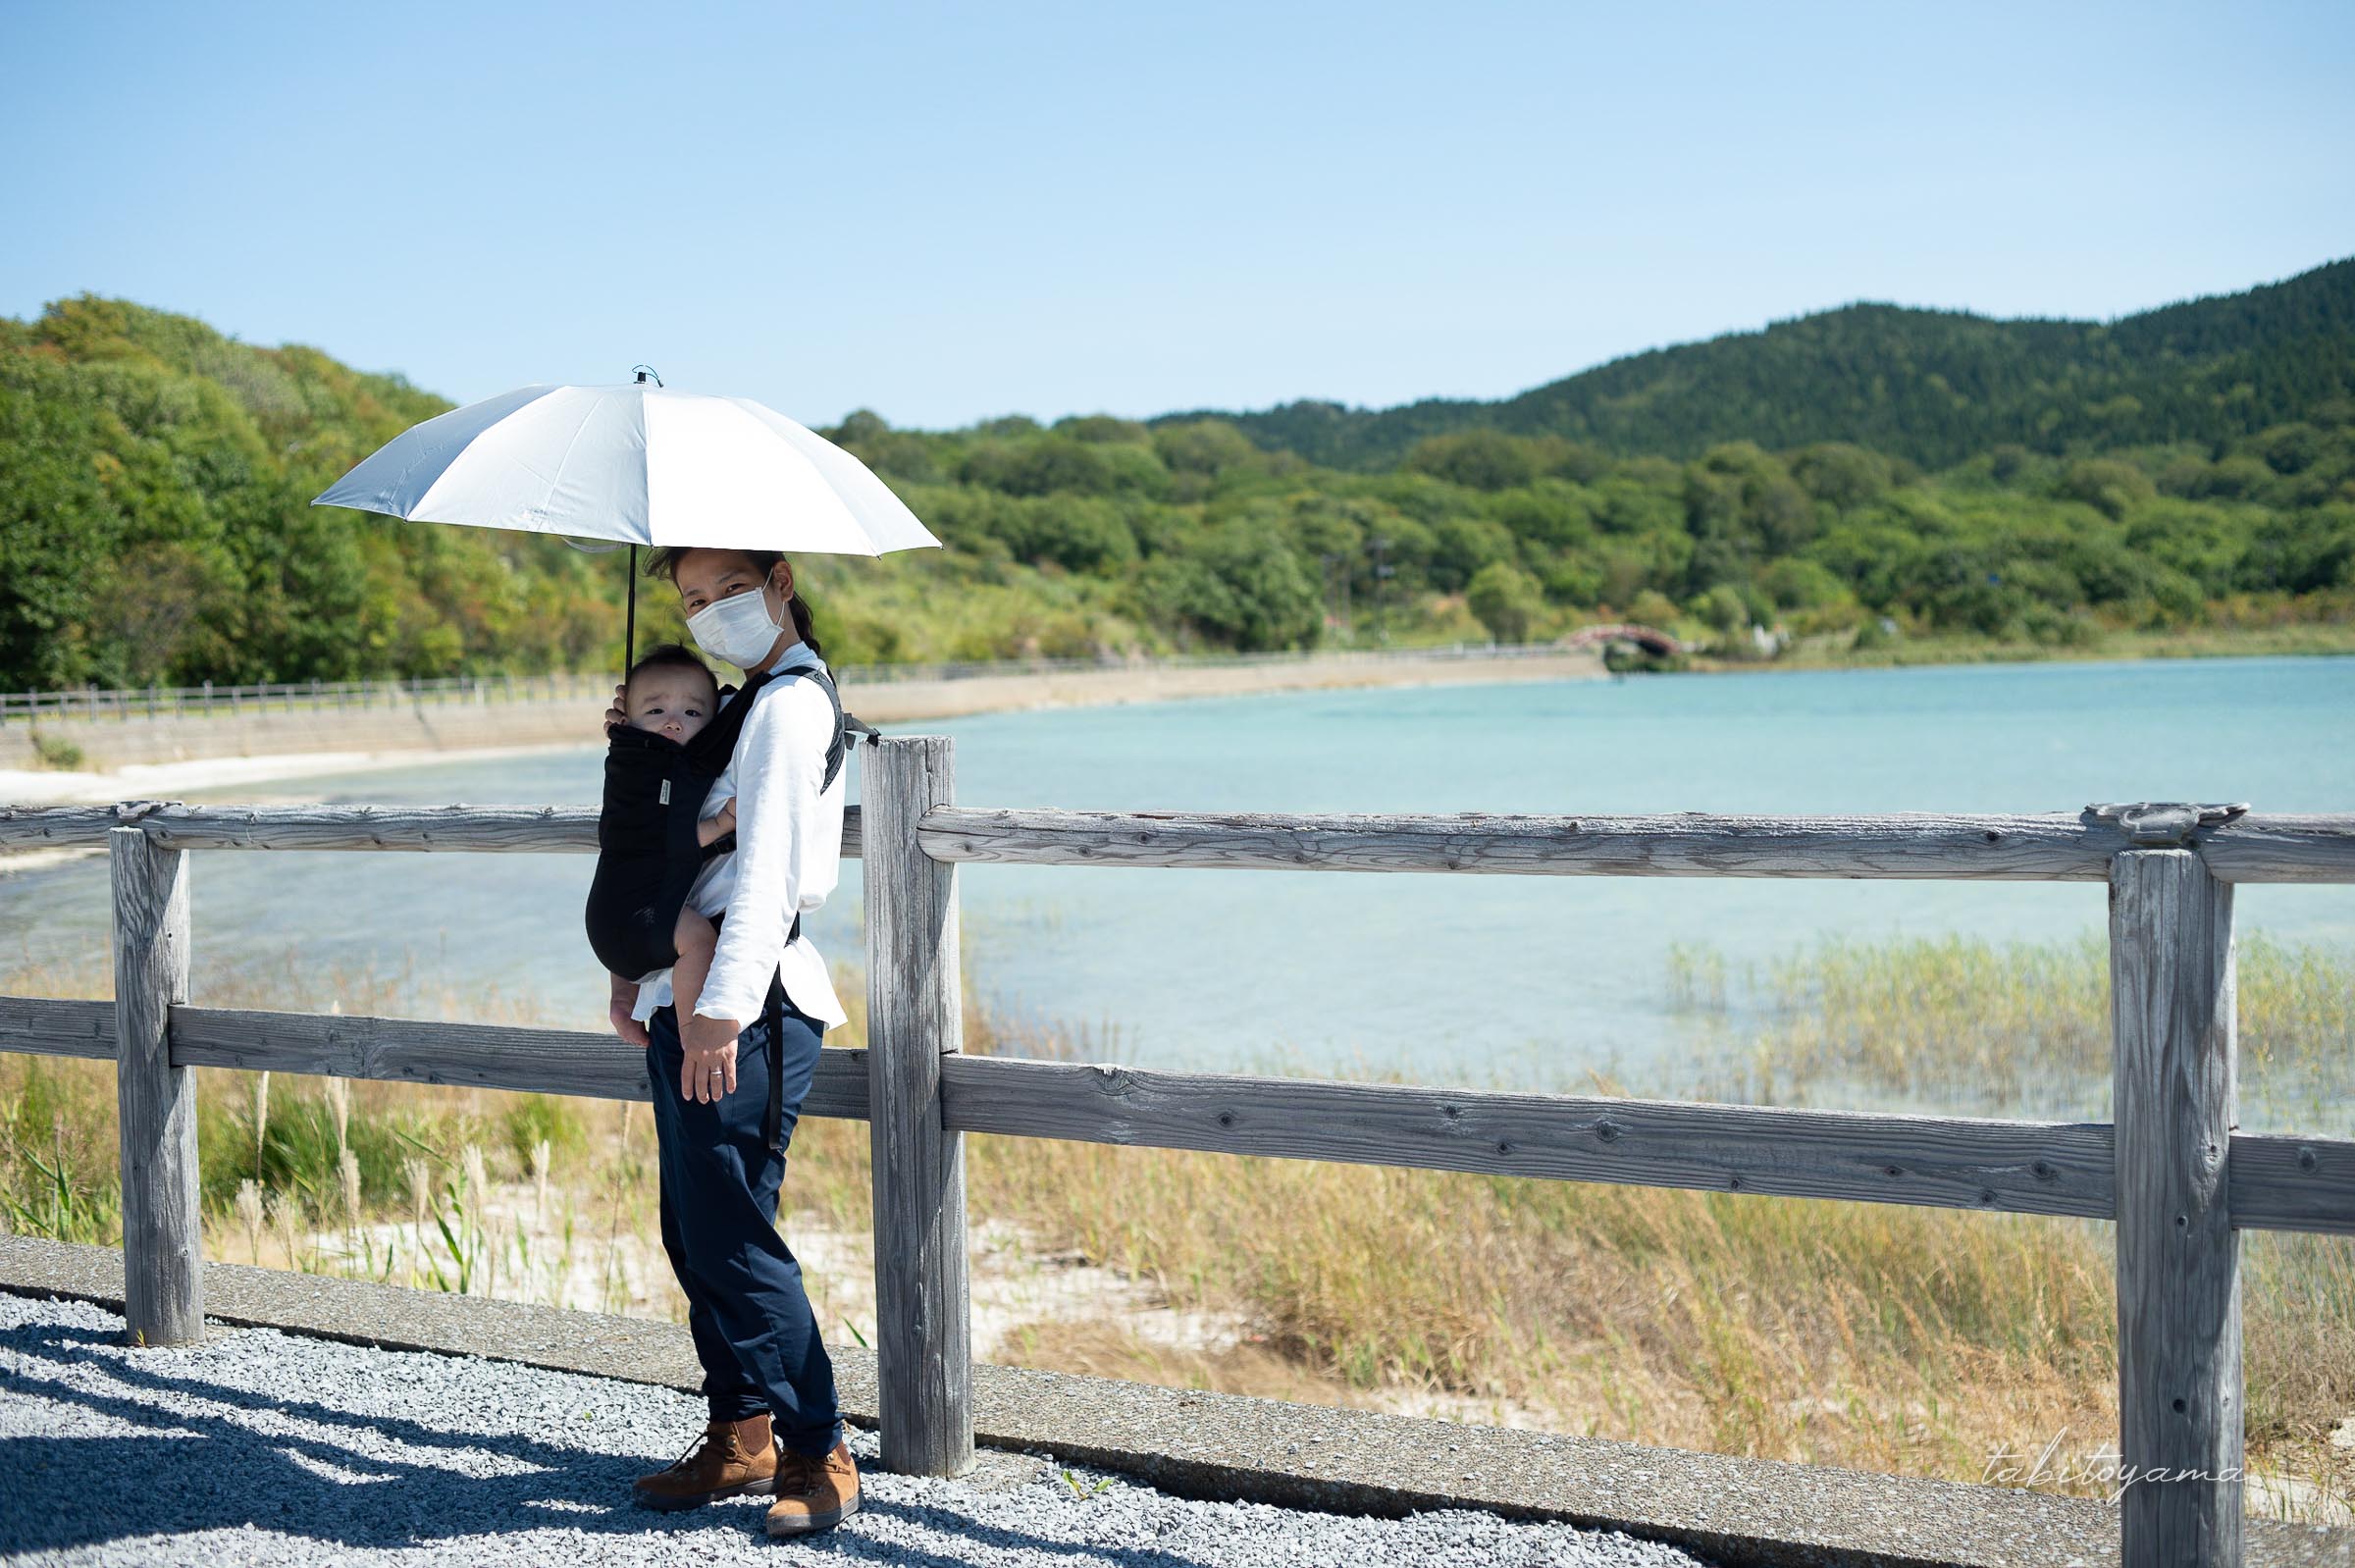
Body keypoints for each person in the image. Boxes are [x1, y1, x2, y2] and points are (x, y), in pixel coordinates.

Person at [602, 546, 860, 1539]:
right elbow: (675, 840)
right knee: (695, 1223)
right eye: (692, 600)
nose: (709, 613)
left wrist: (722, 1004)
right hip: (692, 994)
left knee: (734, 1233)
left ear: (780, 584)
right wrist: (641, 736)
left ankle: (818, 1442)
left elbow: (769, 875)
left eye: (726, 592)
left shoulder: (791, 703)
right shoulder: (749, 702)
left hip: (743, 1003)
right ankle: (741, 1428)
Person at [585, 644, 739, 1031]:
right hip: (642, 921)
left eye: (692, 713)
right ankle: (692, 1029)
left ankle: (623, 1002)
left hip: (604, 917)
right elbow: (672, 836)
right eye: (656, 712)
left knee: (633, 902)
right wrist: (721, 823)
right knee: (700, 941)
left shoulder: (627, 758)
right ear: (627, 718)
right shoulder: (663, 768)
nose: (673, 723)